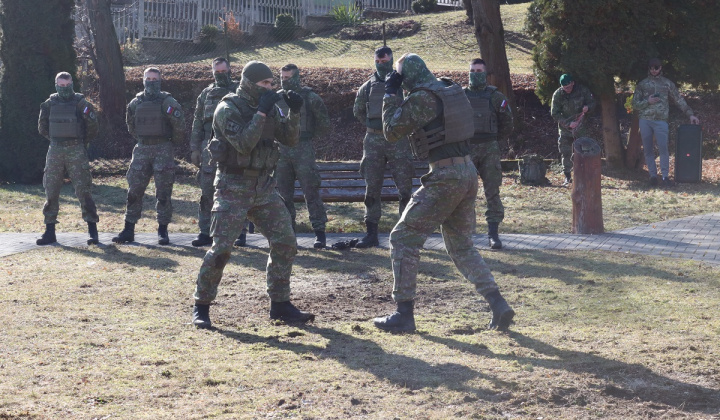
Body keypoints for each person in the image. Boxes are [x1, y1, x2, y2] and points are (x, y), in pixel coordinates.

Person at [372, 53, 515, 333]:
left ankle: (404, 313)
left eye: (400, 76)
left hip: (446, 176)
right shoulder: (450, 88)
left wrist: (390, 92)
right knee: (461, 246)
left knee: (402, 237)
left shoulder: (423, 97)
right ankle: (498, 303)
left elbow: (390, 130)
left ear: (408, 76)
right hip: (467, 173)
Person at [192, 61, 314, 329]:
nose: (271, 87)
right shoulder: (227, 108)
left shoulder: (269, 106)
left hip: (264, 187)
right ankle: (201, 305)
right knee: (221, 249)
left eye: (272, 83)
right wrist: (261, 111)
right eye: (265, 84)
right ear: (249, 84)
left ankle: (280, 304)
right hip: (232, 186)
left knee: (285, 242)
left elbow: (290, 140)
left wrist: (293, 112)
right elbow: (244, 144)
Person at [112, 67, 186, 245]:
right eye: (148, 78)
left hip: (163, 149)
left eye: (154, 79)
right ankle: (128, 229)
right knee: (134, 191)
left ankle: (163, 231)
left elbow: (179, 126)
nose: (151, 81)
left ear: (160, 81)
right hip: (142, 149)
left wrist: (168, 143)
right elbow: (131, 125)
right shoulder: (135, 103)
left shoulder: (168, 102)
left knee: (163, 192)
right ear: (143, 79)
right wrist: (143, 140)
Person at [353, 46, 414, 249]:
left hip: (399, 141)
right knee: (372, 188)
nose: (381, 65)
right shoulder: (367, 87)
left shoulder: (404, 85)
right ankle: (371, 234)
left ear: (392, 61)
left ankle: (404, 233)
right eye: (378, 62)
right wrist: (376, 127)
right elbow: (359, 111)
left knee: (405, 189)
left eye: (385, 61)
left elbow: (415, 107)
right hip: (374, 141)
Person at [189, 57, 251, 247]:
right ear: (213, 72)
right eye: (218, 72)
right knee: (207, 191)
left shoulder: (240, 92)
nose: (221, 75)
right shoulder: (206, 94)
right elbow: (198, 121)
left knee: (235, 190)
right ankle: (205, 231)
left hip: (233, 145)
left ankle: (239, 233)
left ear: (230, 70)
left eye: (224, 71)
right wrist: (194, 148)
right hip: (209, 147)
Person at [36, 72, 100, 246]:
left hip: (76, 150)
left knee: (83, 190)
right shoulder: (49, 104)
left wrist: (80, 142)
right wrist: (57, 140)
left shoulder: (81, 104)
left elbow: (92, 127)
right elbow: (42, 127)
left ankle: (92, 232)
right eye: (61, 85)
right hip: (55, 150)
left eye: (67, 85)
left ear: (72, 84)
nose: (64, 89)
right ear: (56, 85)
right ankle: (50, 232)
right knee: (51, 190)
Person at [274, 64, 330, 248]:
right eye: (282, 77)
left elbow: (324, 123)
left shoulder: (310, 97)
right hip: (282, 150)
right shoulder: (276, 98)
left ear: (297, 77)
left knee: (311, 191)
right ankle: (288, 233)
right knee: (283, 194)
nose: (284, 81)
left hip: (303, 148)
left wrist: (308, 137)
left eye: (288, 77)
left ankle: (319, 233)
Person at [463, 58, 514, 249]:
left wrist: (493, 138)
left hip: (489, 149)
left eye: (479, 71)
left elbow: (507, 123)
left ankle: (493, 234)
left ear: (485, 73)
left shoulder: (495, 96)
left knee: (492, 192)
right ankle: (464, 234)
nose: (475, 74)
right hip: (466, 149)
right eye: (472, 71)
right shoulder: (460, 96)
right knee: (464, 193)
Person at [632, 58, 700, 187]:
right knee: (648, 150)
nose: (653, 70)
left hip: (661, 121)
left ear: (660, 68)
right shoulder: (642, 84)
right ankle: (652, 176)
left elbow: (678, 100)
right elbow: (635, 104)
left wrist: (690, 114)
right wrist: (648, 101)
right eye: (651, 68)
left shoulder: (667, 84)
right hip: (645, 120)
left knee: (663, 149)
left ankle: (664, 177)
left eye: (656, 68)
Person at [550, 74, 595, 186]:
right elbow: (554, 113)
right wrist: (568, 123)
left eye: (569, 87)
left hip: (581, 128)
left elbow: (592, 103)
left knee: (583, 151)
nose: (567, 89)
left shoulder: (582, 91)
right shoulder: (558, 94)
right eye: (565, 88)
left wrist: (588, 108)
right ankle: (567, 176)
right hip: (566, 128)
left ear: (573, 83)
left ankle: (583, 176)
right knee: (565, 152)